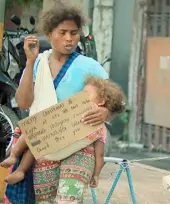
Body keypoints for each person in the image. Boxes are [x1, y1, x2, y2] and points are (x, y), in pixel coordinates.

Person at [9, 2, 123, 203]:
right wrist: (29, 62)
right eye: (62, 32)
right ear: (49, 32)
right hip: (45, 148)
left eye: (74, 32)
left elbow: (118, 102)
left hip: (80, 147)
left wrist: (105, 113)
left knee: (68, 200)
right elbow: (23, 102)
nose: (69, 39)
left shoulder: (89, 66)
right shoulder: (38, 64)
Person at [1, 76, 126, 186]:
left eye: (86, 94)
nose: (80, 97)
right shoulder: (73, 110)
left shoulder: (99, 125)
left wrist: (97, 174)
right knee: (33, 136)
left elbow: (100, 154)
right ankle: (16, 160)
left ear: (101, 101)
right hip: (50, 138)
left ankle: (20, 168)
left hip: (65, 152)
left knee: (35, 143)